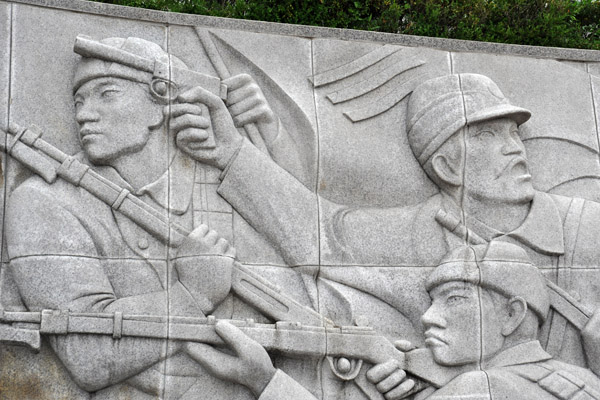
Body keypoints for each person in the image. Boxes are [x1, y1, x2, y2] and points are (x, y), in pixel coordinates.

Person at [174, 72, 600, 369]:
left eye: (513, 133)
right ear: (447, 167)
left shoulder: (588, 228)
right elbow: (317, 234)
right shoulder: (415, 232)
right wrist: (231, 151)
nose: (514, 148)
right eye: (487, 136)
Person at [3, 36, 311, 399]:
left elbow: (314, 258)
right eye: (79, 100)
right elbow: (88, 356)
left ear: (160, 102)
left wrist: (272, 139)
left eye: (107, 93)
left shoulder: (226, 182)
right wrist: (190, 295)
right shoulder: (43, 201)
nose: (84, 114)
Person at [366, 241, 600, 400]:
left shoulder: (476, 386)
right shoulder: (587, 381)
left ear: (511, 315)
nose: (428, 317)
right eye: (432, 302)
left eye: (454, 298)